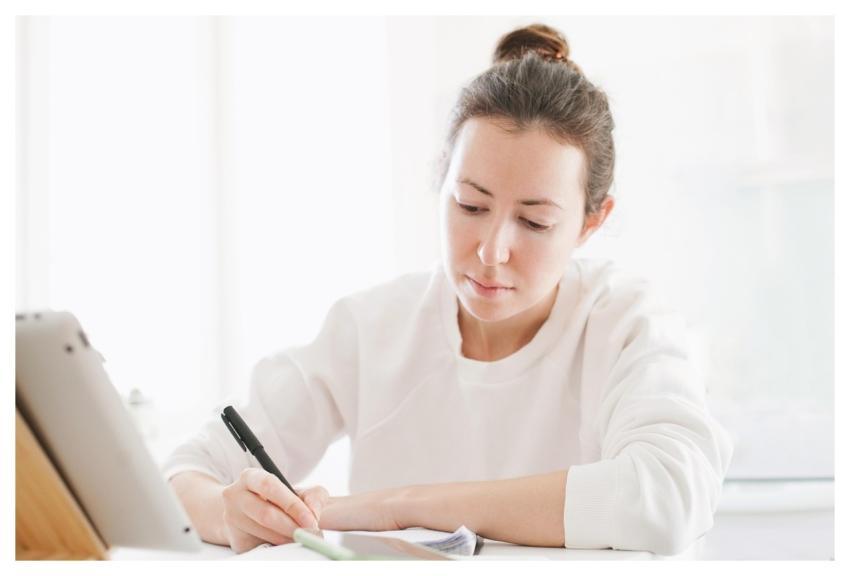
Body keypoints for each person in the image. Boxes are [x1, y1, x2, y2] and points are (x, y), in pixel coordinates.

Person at [164, 23, 733, 556]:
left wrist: (397, 507)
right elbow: (183, 474)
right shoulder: (372, 328)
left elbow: (670, 491)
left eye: (534, 221)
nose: (491, 251)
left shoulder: (623, 322)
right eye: (470, 205)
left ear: (591, 222)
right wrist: (229, 514)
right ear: (441, 180)